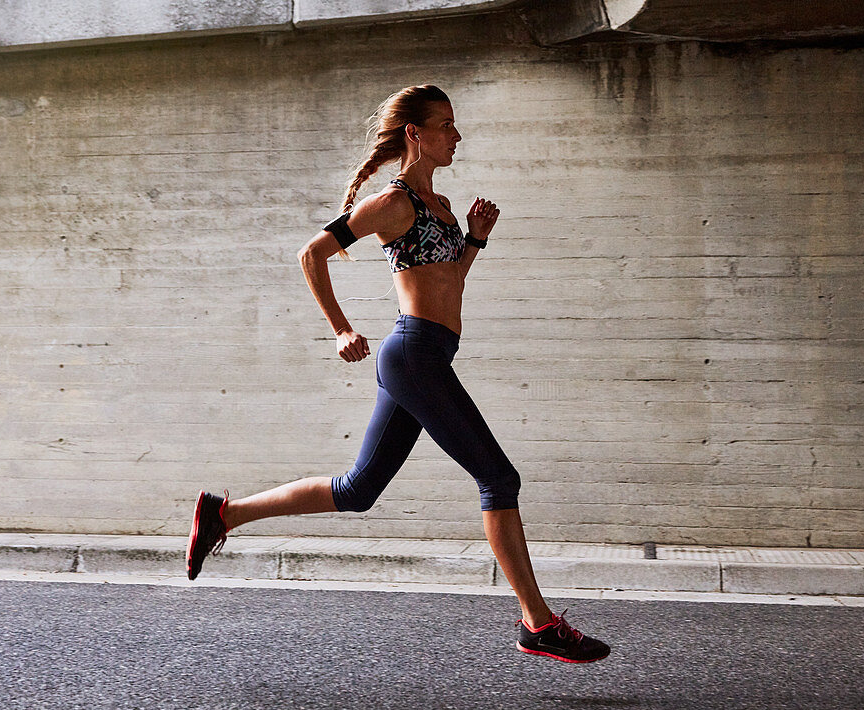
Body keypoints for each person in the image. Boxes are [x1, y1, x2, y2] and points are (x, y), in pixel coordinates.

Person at [187, 84, 609, 664]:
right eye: (446, 125)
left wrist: (476, 241)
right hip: (414, 356)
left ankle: (224, 514)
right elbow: (313, 254)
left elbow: (448, 284)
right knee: (499, 479)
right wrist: (340, 328)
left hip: (426, 356)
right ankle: (537, 623)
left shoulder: (439, 206)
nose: (456, 135)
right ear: (416, 133)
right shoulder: (394, 203)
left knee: (359, 490)